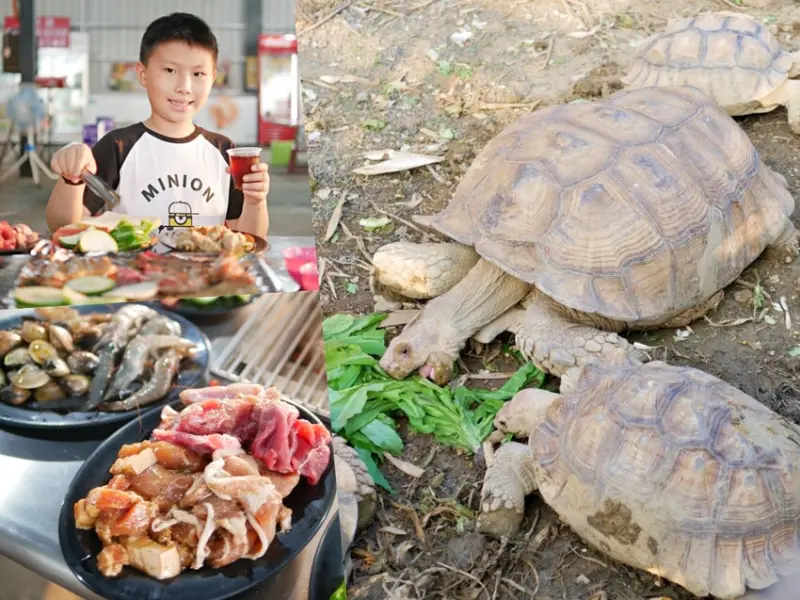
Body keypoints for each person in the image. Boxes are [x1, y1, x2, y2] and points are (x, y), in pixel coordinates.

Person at [45, 12, 269, 240]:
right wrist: (70, 179)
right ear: (143, 74)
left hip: (209, 273)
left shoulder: (224, 150)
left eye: (198, 73)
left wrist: (255, 200)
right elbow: (63, 227)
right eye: (170, 70)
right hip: (136, 273)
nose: (184, 86)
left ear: (212, 78)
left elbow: (249, 240)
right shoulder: (118, 146)